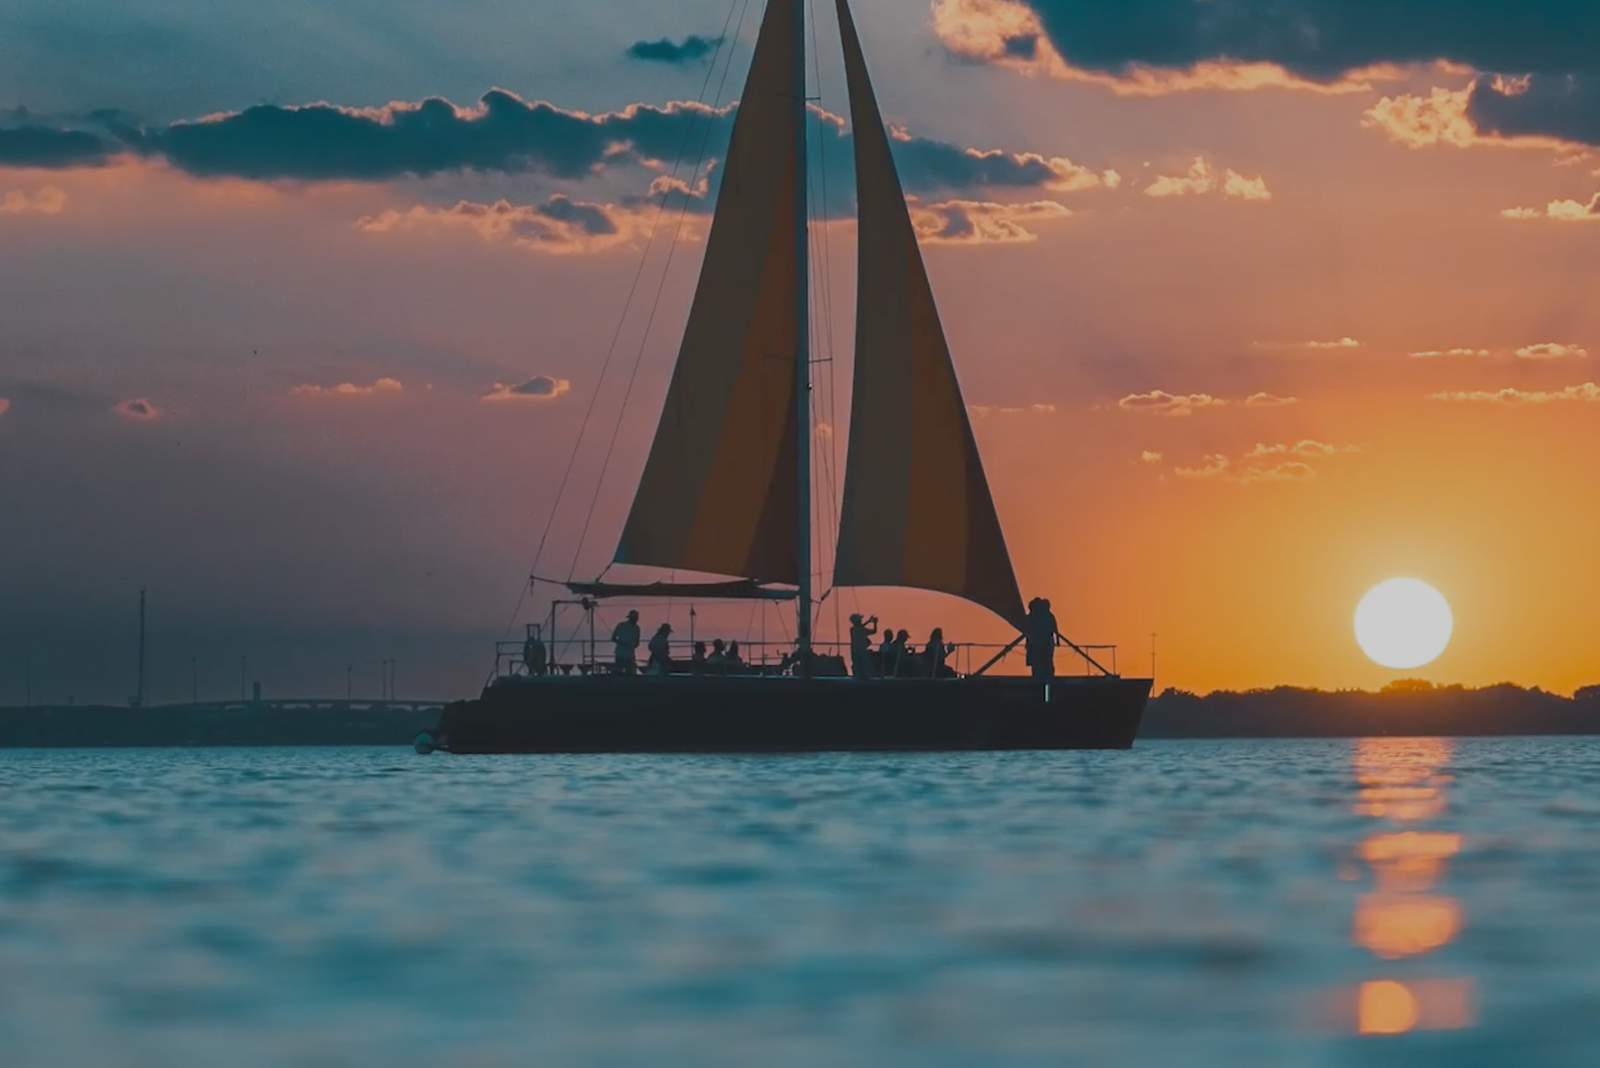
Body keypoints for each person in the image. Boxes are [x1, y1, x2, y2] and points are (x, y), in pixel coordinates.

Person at [1025, 597, 1058, 680]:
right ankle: (1040, 677)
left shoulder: (1046, 617)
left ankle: (1047, 676)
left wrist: (1058, 640)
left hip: (1044, 643)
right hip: (1036, 644)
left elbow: (1054, 629)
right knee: (1037, 662)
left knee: (1045, 661)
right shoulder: (1033, 617)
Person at [848, 613, 879, 679]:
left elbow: (860, 626)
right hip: (862, 652)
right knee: (864, 666)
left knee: (856, 666)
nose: (861, 620)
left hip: (854, 651)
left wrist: (868, 621)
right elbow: (874, 631)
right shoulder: (862, 630)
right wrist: (875, 623)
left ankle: (857, 677)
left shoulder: (852, 629)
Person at [611, 610, 641, 674]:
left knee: (628, 673)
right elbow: (613, 638)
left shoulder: (636, 628)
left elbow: (637, 642)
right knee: (620, 673)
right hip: (621, 654)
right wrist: (623, 643)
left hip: (629, 654)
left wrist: (633, 645)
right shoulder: (621, 625)